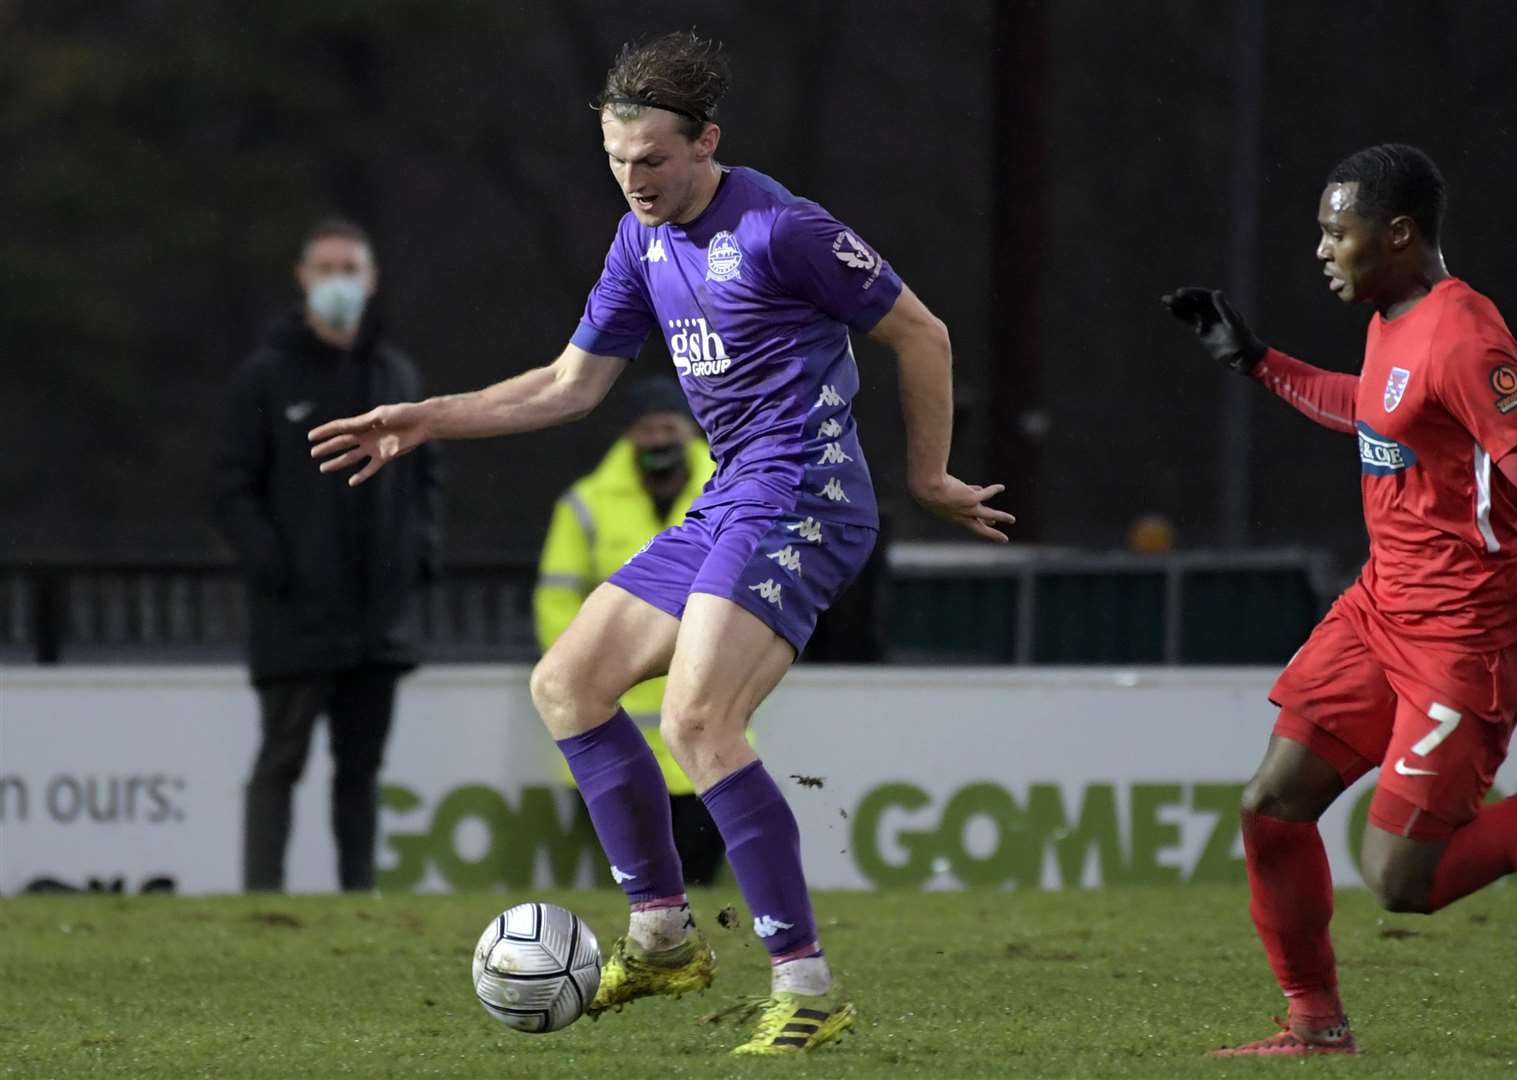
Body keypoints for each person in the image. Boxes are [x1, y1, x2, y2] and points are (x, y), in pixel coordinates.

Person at [308, 30, 1011, 1055]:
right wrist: (427, 416)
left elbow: (921, 332)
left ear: (704, 143)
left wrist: (925, 475)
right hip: (732, 497)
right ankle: (663, 936)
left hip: (805, 491)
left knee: (697, 723)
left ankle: (806, 987)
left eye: (650, 160)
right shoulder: (638, 241)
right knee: (568, 685)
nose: (631, 179)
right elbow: (568, 385)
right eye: (614, 160)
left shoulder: (781, 228)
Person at [1164, 144, 1517, 1056]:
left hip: (1465, 630)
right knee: (1272, 804)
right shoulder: (1395, 315)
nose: (1321, 249)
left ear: (1397, 234)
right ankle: (1315, 1025)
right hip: (1380, 607)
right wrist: (1259, 362)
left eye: (1336, 231)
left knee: (1402, 879)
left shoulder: (1468, 334)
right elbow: (1380, 410)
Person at [212, 217, 444, 893]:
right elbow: (230, 486)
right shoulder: (263, 379)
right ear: (302, 279)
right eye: (326, 269)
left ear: (370, 281)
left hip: (378, 617)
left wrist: (418, 557)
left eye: (350, 270)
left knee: (361, 770)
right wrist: (271, 565)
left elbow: (430, 478)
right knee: (281, 760)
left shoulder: (397, 374)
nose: (338, 283)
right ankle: (262, 895)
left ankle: (358, 896)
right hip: (295, 614)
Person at [535, 375, 727, 884]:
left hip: (705, 725)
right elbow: (556, 597)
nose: (659, 440)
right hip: (612, 725)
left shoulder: (730, 492)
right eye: (647, 429)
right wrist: (586, 669)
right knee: (642, 883)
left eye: (669, 427)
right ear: (628, 437)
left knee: (701, 878)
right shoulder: (587, 503)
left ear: (690, 430)